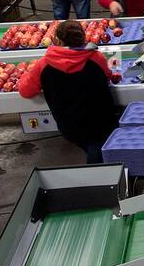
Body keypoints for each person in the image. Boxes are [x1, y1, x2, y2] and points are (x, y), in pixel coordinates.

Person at [18, 20, 120, 163]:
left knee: (92, 147)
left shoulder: (44, 64)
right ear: (83, 38)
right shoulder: (96, 58)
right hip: (101, 120)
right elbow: (110, 76)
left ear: (56, 40)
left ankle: (98, 165)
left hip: (70, 125)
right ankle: (100, 171)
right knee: (97, 148)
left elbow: (25, 91)